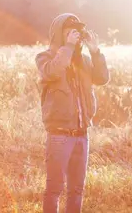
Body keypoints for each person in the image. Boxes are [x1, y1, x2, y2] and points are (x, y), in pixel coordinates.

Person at [35, 13, 110, 213]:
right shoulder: (45, 57)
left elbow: (102, 78)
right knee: (54, 189)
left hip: (81, 134)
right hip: (59, 135)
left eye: (77, 33)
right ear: (59, 34)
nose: (75, 36)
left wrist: (95, 52)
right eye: (69, 32)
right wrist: (67, 47)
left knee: (77, 190)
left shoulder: (84, 60)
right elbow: (52, 72)